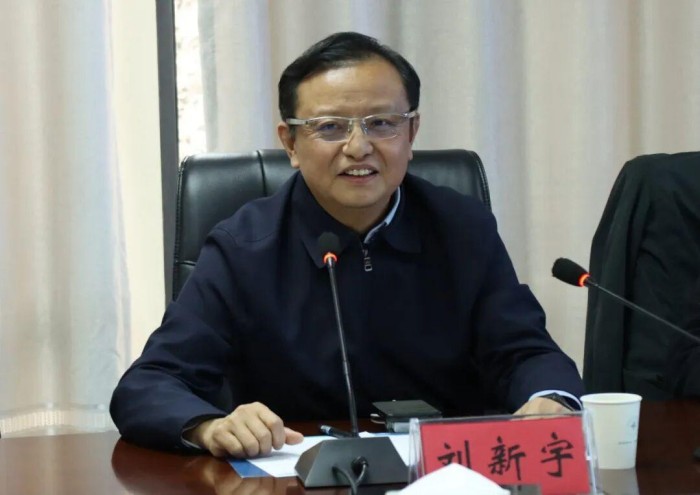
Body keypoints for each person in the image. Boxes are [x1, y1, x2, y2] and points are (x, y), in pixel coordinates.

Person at [110, 32, 584, 459]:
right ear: (291, 143)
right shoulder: (244, 248)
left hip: (447, 474)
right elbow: (151, 383)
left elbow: (525, 352)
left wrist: (550, 399)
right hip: (296, 478)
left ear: (411, 133)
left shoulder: (462, 228)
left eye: (381, 123)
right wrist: (210, 426)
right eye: (330, 127)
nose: (358, 147)